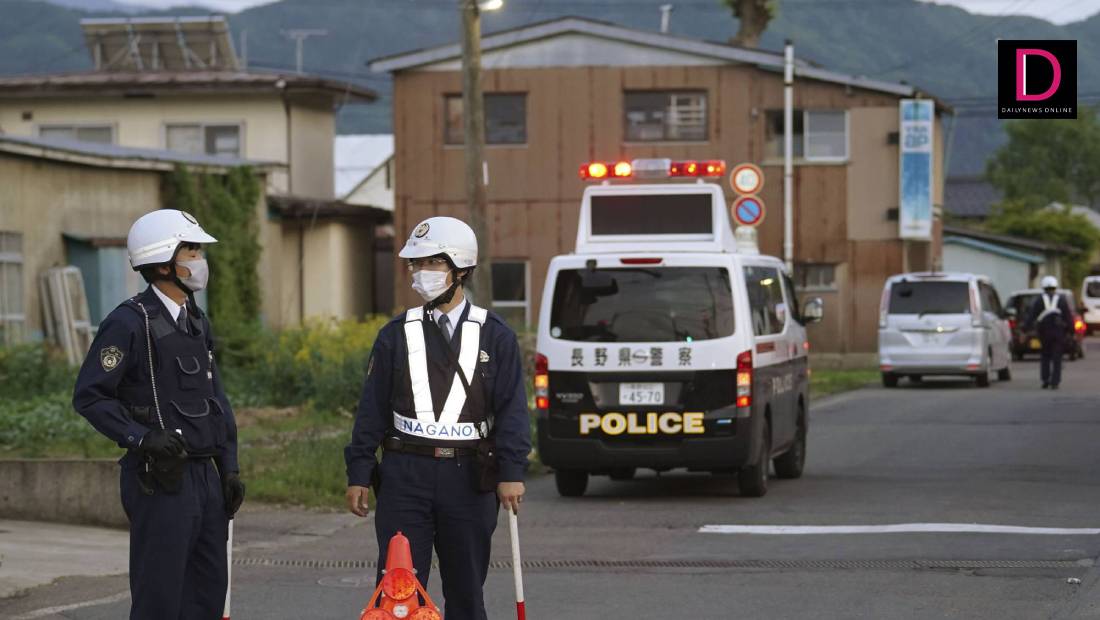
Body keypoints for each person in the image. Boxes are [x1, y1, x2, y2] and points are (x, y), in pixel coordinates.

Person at [345, 216, 530, 620]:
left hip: (469, 476)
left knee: (466, 591)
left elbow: (513, 408)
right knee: (399, 591)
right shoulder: (395, 333)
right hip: (403, 474)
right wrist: (359, 471)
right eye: (416, 264)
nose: (419, 274)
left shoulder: (495, 334)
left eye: (430, 263)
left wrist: (511, 471)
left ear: (460, 268)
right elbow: (371, 409)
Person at [72, 209, 245, 620]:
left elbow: (215, 402)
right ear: (164, 261)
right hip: (161, 478)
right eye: (192, 249)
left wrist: (230, 468)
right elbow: (90, 397)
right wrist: (141, 437)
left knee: (207, 593)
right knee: (161, 597)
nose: (200, 259)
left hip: (206, 477)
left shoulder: (196, 322)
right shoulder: (129, 322)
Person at [1026, 275, 1074, 390]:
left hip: (1044, 332)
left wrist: (1025, 328)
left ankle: (1045, 380)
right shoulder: (1061, 299)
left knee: (1045, 356)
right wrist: (1071, 331)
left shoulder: (1039, 300)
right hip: (1058, 333)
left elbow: (1031, 316)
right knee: (1057, 357)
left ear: (1043, 287)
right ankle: (1055, 382)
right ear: (1055, 286)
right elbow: (1068, 316)